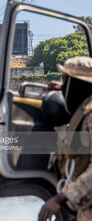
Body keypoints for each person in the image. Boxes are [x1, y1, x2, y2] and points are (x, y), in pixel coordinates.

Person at [38, 57, 92, 221]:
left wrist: (61, 198)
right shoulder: (85, 109)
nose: (64, 88)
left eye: (66, 81)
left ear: (76, 85)